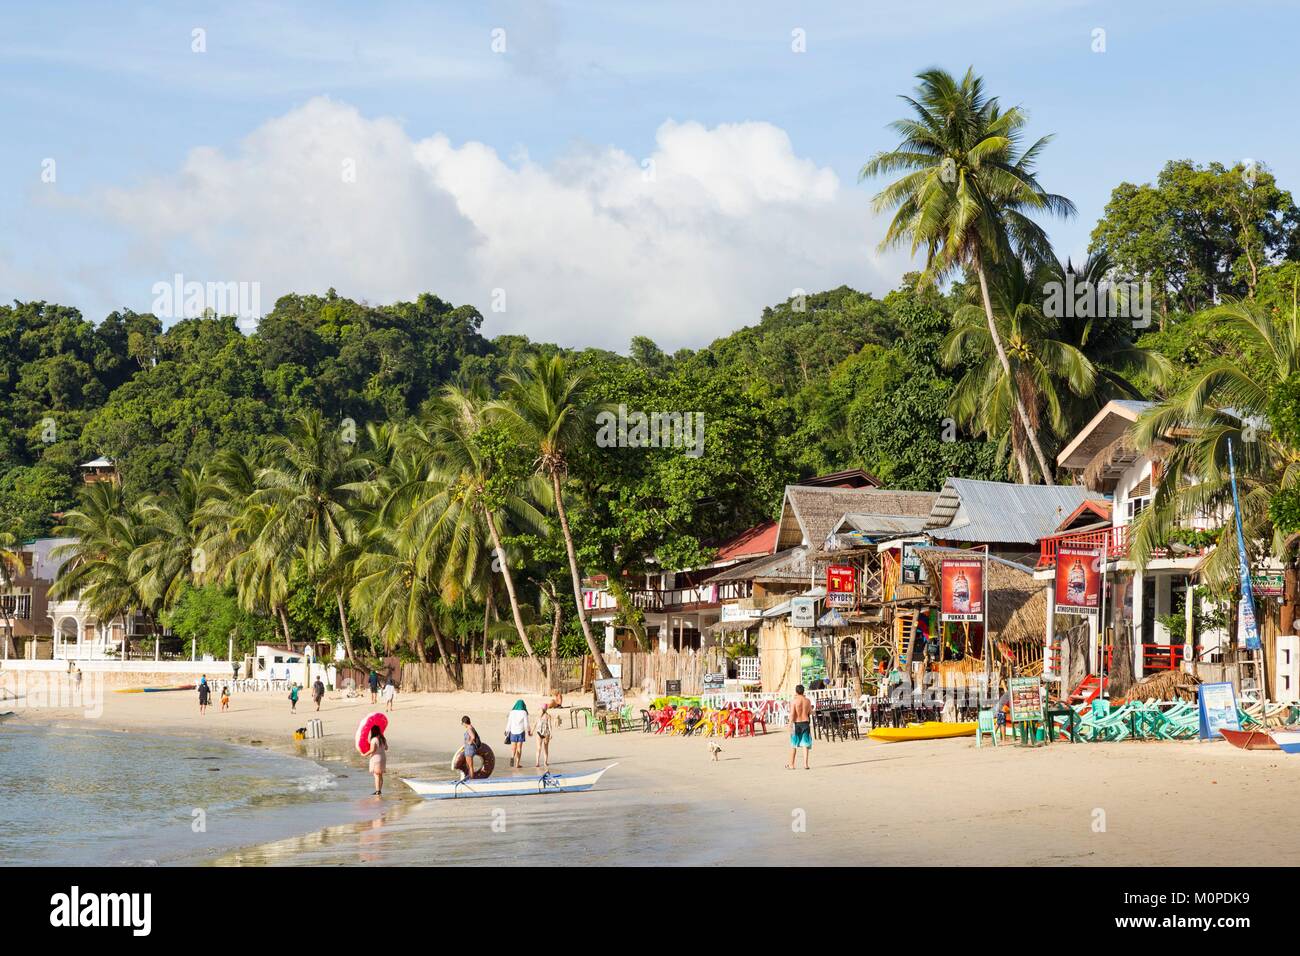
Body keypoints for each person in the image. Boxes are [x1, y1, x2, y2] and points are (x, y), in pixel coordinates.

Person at [787, 684, 813, 770]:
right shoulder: (807, 701)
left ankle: (791, 764)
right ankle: (806, 764)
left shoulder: (794, 701)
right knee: (805, 744)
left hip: (796, 723)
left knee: (793, 744)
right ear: (803, 691)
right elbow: (810, 711)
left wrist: (789, 724)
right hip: (805, 722)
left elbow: (792, 714)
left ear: (796, 691)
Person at [505, 700, 531, 768]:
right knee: (519, 748)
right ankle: (517, 764)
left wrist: (506, 730)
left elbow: (509, 722)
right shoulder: (524, 712)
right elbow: (526, 724)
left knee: (513, 747)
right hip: (521, 732)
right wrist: (528, 731)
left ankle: (512, 757)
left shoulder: (512, 712)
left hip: (513, 731)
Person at [368, 725, 388, 795]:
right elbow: (386, 748)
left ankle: (377, 791)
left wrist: (364, 754)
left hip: (376, 758)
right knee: (380, 775)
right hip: (383, 757)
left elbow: (372, 750)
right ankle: (379, 790)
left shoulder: (374, 739)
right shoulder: (383, 739)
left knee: (376, 775)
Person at [461, 715, 482, 779]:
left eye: (462, 723)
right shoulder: (471, 727)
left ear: (465, 723)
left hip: (470, 749)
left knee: (470, 766)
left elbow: (473, 737)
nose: (462, 725)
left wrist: (469, 742)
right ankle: (470, 777)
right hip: (469, 749)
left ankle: (471, 780)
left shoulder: (469, 728)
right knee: (469, 765)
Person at [535, 703, 553, 769]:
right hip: (546, 733)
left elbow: (535, 724)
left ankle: (537, 762)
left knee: (538, 748)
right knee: (546, 748)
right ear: (546, 709)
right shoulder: (548, 716)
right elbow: (550, 726)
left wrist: (532, 731)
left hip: (539, 733)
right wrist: (551, 734)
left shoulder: (538, 716)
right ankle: (545, 762)